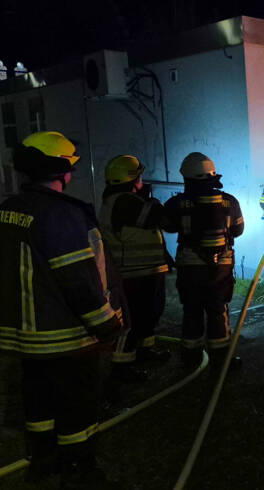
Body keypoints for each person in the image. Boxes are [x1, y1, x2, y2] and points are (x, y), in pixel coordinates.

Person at [0, 131, 125, 487]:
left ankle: (43, 459)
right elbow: (78, 280)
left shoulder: (7, 210)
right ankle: (78, 467)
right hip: (65, 336)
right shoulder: (61, 215)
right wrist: (106, 324)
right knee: (78, 402)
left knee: (37, 398)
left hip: (25, 339)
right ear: (62, 172)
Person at [163, 152, 243, 364]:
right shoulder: (230, 201)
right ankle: (221, 359)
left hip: (189, 265)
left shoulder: (177, 203)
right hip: (222, 266)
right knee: (218, 310)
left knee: (192, 310)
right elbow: (238, 230)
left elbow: (168, 226)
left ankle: (191, 357)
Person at [99, 155, 171, 381]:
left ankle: (144, 352)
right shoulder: (125, 201)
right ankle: (122, 368)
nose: (142, 180)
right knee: (134, 321)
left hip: (145, 271)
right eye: (139, 176)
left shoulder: (122, 200)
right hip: (134, 274)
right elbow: (162, 219)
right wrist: (152, 200)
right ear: (131, 178)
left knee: (149, 316)